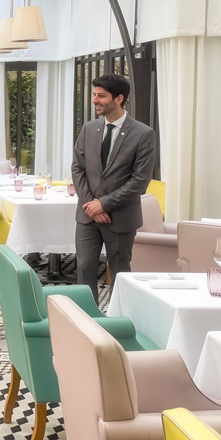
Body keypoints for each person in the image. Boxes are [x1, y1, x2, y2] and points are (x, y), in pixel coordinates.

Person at [72, 74, 156, 300]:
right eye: (94, 95)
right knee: (84, 268)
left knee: (120, 272)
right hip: (88, 216)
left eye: (101, 96)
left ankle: (120, 319)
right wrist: (92, 205)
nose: (95, 100)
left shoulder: (143, 134)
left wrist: (104, 204)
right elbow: (78, 169)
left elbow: (140, 180)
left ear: (119, 99)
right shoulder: (89, 129)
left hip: (120, 217)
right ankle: (86, 320)